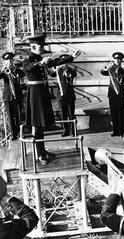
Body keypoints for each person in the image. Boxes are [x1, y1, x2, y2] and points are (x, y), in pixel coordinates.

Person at [23, 34, 78, 165]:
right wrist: (39, 63)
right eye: (40, 46)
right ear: (33, 46)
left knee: (42, 125)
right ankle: (39, 155)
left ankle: (43, 151)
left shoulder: (39, 58)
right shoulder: (28, 59)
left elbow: (56, 62)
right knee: (37, 125)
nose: (43, 48)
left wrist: (72, 57)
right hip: (35, 94)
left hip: (42, 93)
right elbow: (27, 68)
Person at [0, 52, 25, 140]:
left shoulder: (17, 70)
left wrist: (14, 69)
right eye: (7, 60)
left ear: (12, 60)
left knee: (19, 115)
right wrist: (3, 69)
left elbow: (23, 74)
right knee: (10, 116)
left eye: (10, 59)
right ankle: (13, 134)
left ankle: (21, 132)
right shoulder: (4, 71)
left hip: (17, 95)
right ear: (4, 61)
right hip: (8, 96)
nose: (9, 61)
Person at [48, 54, 77, 137]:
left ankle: (73, 130)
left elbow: (73, 75)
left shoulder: (71, 71)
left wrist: (65, 71)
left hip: (70, 94)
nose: (64, 64)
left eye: (66, 63)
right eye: (62, 63)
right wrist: (55, 69)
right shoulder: (57, 71)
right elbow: (50, 73)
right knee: (63, 114)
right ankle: (65, 130)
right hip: (60, 95)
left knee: (71, 114)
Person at [100, 52, 124, 137]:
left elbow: (121, 77)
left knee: (120, 113)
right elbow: (103, 72)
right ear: (114, 60)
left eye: (119, 59)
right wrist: (107, 68)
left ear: (121, 61)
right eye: (116, 59)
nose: (118, 61)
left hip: (120, 94)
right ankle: (115, 131)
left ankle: (121, 131)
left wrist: (115, 69)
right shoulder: (110, 69)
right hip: (112, 94)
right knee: (113, 113)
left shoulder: (123, 71)